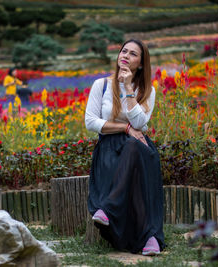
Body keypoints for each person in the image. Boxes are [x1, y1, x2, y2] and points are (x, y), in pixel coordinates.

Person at [85, 39, 165, 256]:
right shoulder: (101, 85)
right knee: (131, 146)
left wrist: (129, 88)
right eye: (123, 51)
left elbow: (140, 124)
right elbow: (91, 122)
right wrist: (125, 129)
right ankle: (149, 237)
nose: (125, 56)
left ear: (140, 63)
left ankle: (109, 209)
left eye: (133, 54)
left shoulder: (148, 90)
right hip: (110, 149)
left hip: (139, 148)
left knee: (134, 148)